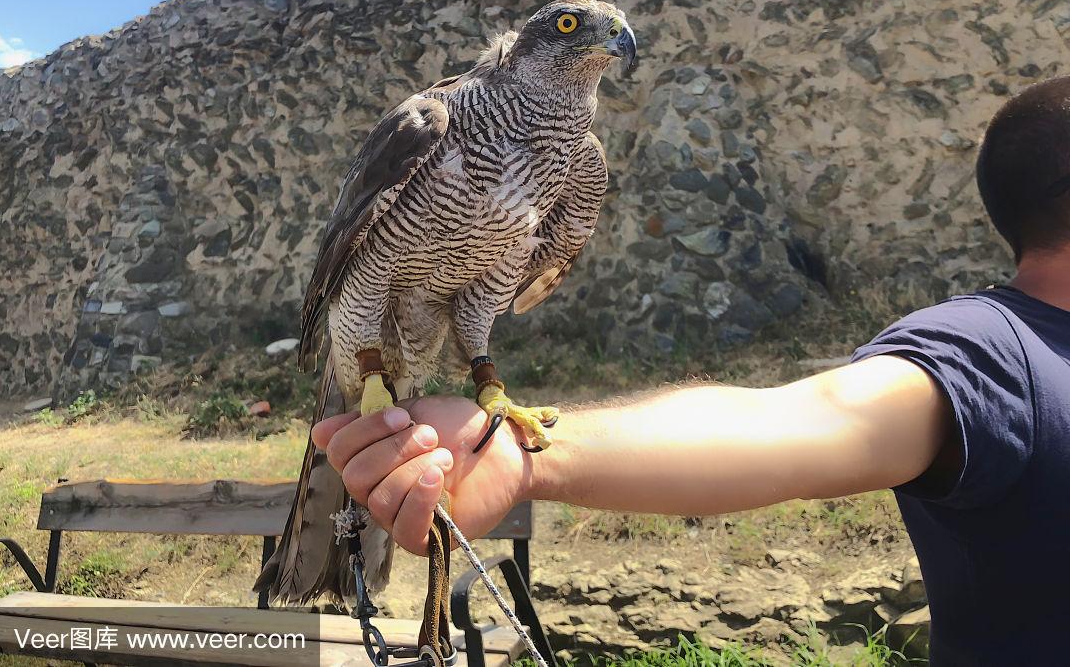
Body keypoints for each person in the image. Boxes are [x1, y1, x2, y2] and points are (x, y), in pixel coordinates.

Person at [309, 77, 1070, 664]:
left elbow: (496, 296)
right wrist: (534, 454)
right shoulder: (995, 356)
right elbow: (804, 422)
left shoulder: (572, 165)